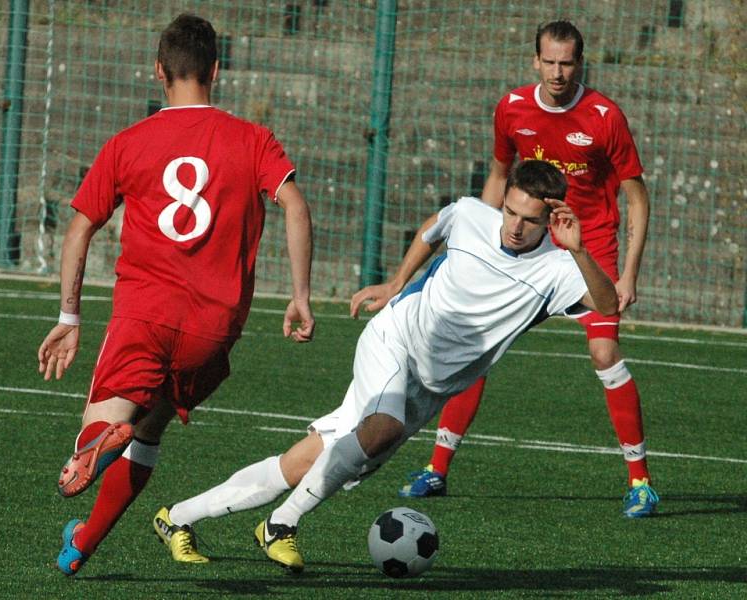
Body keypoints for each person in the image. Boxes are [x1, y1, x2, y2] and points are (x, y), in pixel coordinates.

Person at [153, 159, 619, 572]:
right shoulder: (474, 215)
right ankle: (279, 526)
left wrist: (577, 249)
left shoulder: (558, 268)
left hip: (430, 389)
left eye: (531, 220)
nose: (515, 226)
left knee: (308, 461)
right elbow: (436, 226)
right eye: (511, 212)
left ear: (552, 219)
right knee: (384, 427)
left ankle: (177, 517)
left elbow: (608, 304)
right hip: (394, 338)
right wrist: (398, 281)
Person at [37, 13, 315, 576]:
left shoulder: (128, 143)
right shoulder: (253, 139)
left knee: (104, 428)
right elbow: (296, 206)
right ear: (216, 69)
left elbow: (80, 228)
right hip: (212, 332)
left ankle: (95, 442)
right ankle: (81, 545)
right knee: (148, 433)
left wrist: (70, 315)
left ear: (158, 71)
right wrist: (301, 295)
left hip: (145, 315)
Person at [398, 20, 657, 519]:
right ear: (535, 61)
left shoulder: (605, 116)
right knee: (475, 343)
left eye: (567, 63)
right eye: (550, 62)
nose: (558, 72)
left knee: (605, 353)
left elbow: (637, 196)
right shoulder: (513, 107)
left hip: (588, 247)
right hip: (528, 244)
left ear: (579, 64)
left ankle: (640, 480)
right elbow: (498, 175)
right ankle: (436, 469)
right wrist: (485, 245)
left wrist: (628, 272)